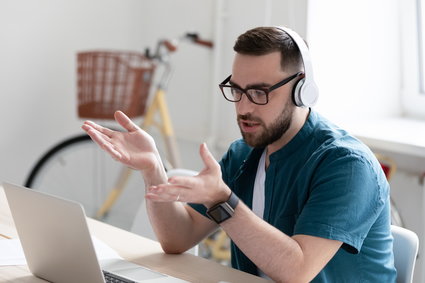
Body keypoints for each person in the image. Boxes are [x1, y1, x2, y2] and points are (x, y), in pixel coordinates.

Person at [82, 26, 396, 282]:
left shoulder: (346, 165)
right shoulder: (246, 152)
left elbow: (296, 270)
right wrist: (153, 169)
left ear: (302, 89)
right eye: (237, 90)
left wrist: (222, 200)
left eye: (259, 92)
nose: (243, 107)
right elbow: (178, 239)